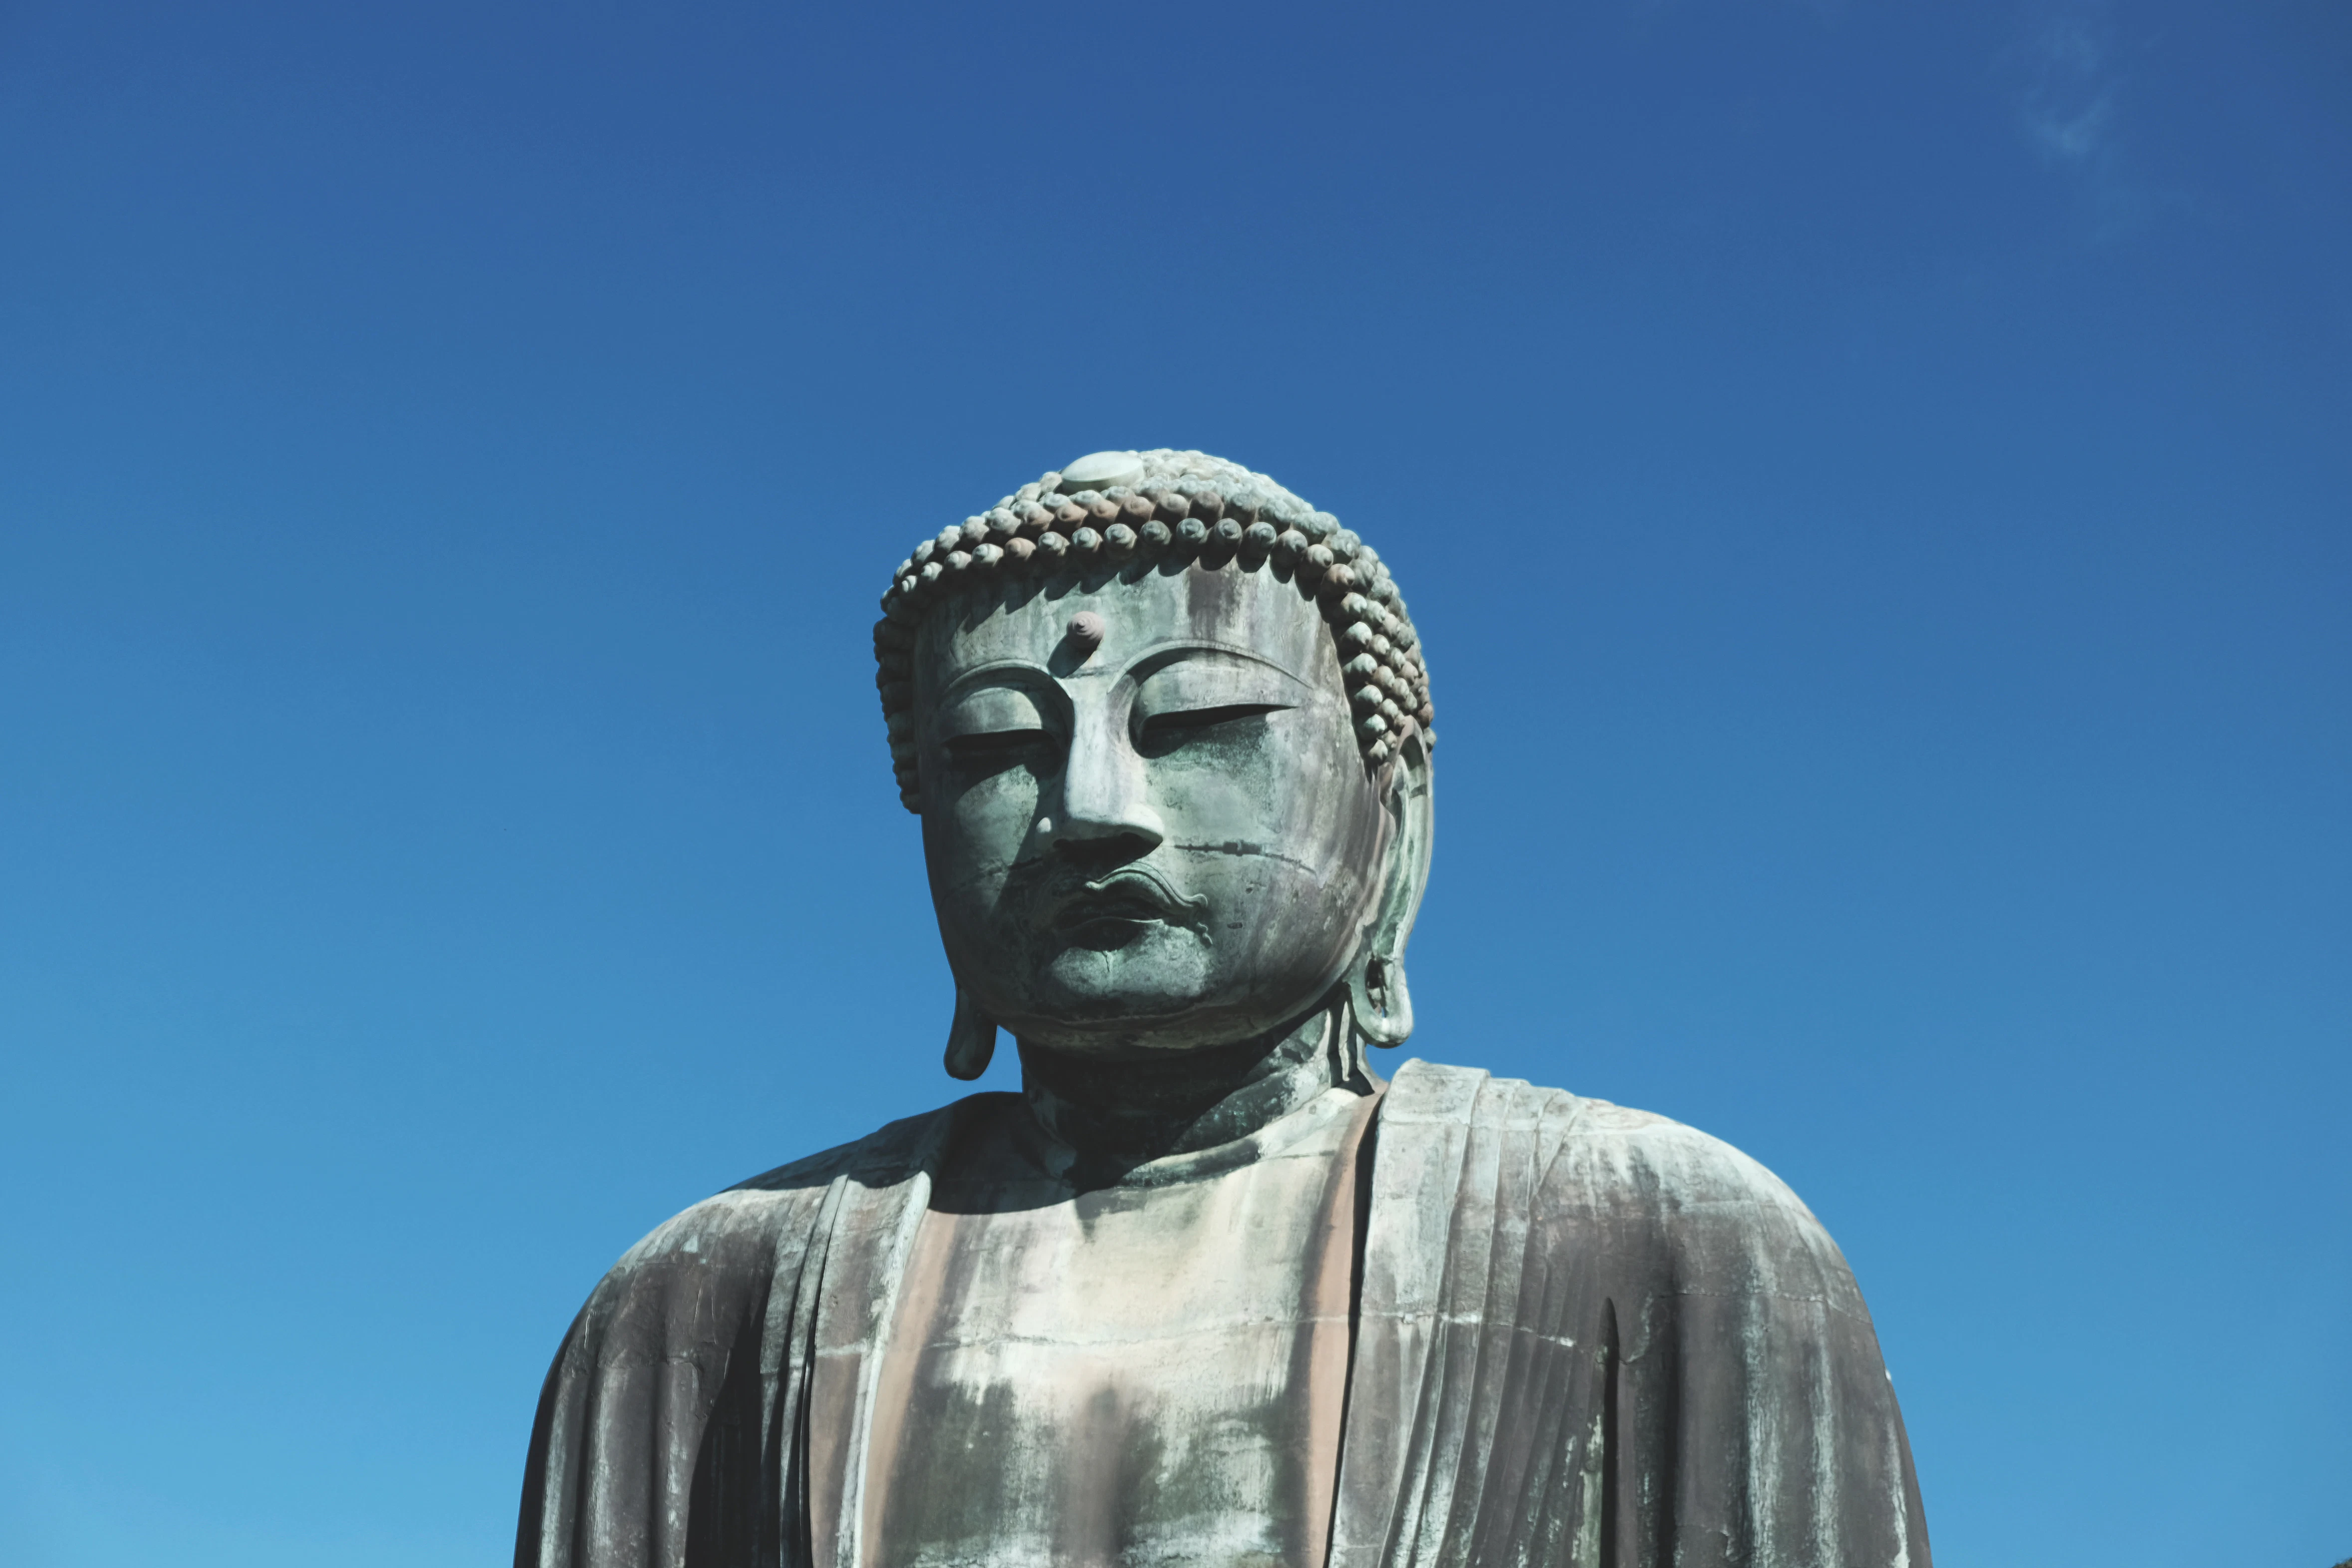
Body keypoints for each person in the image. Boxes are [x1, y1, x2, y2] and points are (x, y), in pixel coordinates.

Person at [516, 450, 1931, 1568]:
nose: (1090, 811)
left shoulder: (1669, 1248)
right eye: (1000, 746)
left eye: (1193, 725)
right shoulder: (694, 1309)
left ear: (1398, 822)